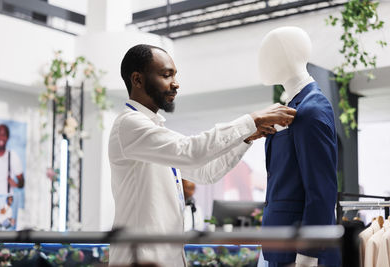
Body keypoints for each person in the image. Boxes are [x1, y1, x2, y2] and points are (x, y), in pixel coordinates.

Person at [108, 44, 297, 266]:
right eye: (166, 75)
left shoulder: (152, 129)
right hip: (140, 260)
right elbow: (191, 152)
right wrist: (251, 120)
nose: (175, 83)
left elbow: (206, 172)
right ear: (137, 80)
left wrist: (246, 138)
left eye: (175, 75)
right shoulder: (129, 125)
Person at [257, 27, 340, 267]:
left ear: (287, 55)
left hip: (299, 255)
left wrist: (308, 255)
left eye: (266, 52)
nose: (259, 61)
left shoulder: (311, 109)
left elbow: (321, 189)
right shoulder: (293, 107)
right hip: (281, 249)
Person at [0, 124, 24, 223]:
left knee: (3, 236)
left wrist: (16, 184)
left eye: (4, 135)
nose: (1, 137)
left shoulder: (13, 156)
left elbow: (22, 182)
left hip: (4, 206)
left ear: (7, 137)